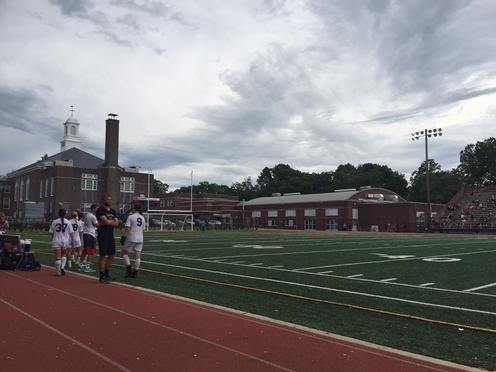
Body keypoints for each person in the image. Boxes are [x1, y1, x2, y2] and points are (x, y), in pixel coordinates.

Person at [96, 194, 119, 283]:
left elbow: (117, 224)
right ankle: (101, 276)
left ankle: (107, 274)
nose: (109, 201)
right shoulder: (100, 210)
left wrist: (109, 222)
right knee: (102, 256)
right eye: (107, 199)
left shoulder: (113, 211)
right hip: (102, 236)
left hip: (110, 235)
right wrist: (111, 222)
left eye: (110, 199)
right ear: (103, 200)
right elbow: (105, 221)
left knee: (111, 255)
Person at [120, 204, 145, 278]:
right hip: (140, 238)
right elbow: (142, 230)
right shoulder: (142, 218)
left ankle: (128, 268)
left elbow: (127, 229)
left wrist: (123, 237)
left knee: (124, 252)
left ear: (134, 209)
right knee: (137, 255)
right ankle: (135, 271)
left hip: (131, 237)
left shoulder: (131, 216)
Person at [49, 208, 71, 276]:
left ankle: (58, 272)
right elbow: (71, 232)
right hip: (65, 240)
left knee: (57, 256)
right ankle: (62, 267)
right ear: (65, 214)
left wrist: (53, 238)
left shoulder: (55, 221)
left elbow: (51, 232)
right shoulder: (68, 222)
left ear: (58, 214)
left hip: (57, 240)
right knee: (63, 255)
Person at [80, 204, 98, 272]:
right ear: (93, 208)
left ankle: (81, 265)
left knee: (85, 251)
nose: (97, 210)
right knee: (91, 251)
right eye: (96, 208)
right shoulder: (93, 216)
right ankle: (87, 266)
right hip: (91, 234)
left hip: (86, 233)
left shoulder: (87, 214)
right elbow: (96, 225)